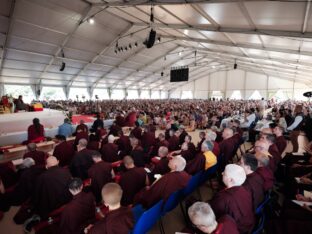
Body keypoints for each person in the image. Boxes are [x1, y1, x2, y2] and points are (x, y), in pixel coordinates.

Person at [209, 164, 255, 234]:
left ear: (230, 180)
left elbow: (211, 213)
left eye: (224, 173)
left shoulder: (223, 198)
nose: (222, 173)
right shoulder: (245, 189)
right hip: (248, 224)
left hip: (236, 229)